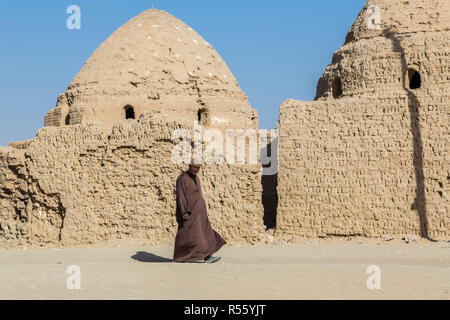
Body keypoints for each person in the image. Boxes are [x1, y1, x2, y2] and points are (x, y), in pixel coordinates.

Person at [173, 162, 226, 263]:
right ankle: (203, 257)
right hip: (190, 213)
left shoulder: (197, 178)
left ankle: (203, 256)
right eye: (195, 168)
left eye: (198, 168)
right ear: (189, 166)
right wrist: (184, 211)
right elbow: (181, 195)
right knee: (190, 236)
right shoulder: (182, 178)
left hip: (200, 213)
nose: (196, 170)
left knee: (206, 233)